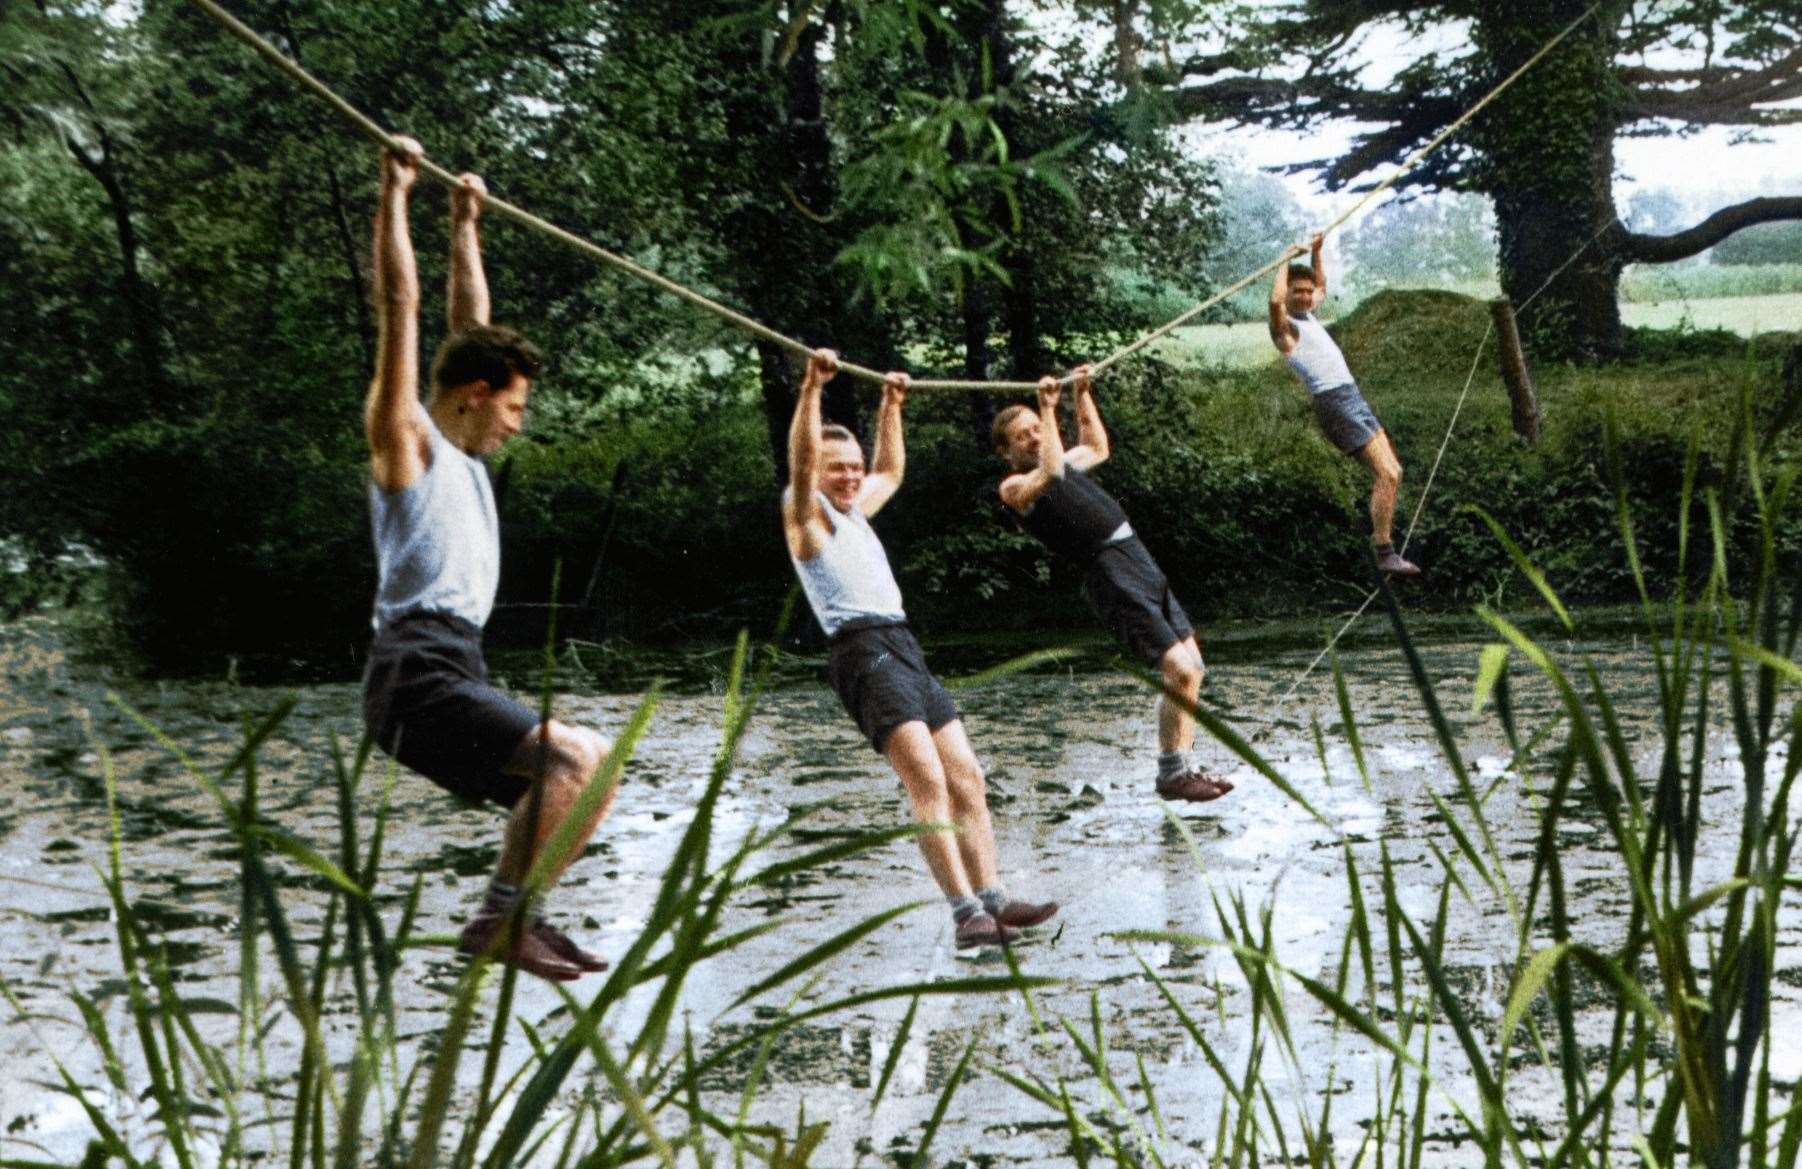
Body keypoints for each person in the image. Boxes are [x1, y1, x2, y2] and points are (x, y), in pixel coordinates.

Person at [360, 138, 615, 982]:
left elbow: (473, 329)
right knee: (572, 757)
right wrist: (395, 193)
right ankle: (501, 921)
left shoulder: (465, 455)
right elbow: (403, 310)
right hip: (415, 672)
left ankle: (518, 917)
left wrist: (465, 223)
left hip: (453, 662)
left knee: (588, 769)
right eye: (514, 406)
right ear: (474, 396)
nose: (517, 423)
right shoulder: (408, 445)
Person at [782, 349, 1057, 950]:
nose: (851, 477)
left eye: (853, 467)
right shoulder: (808, 516)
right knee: (927, 782)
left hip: (902, 644)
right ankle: (966, 915)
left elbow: (891, 471)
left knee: (968, 777)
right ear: (817, 474)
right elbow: (803, 463)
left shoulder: (854, 511)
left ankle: (994, 899)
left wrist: (891, 405)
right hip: (861, 652)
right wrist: (811, 390)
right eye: (838, 470)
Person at [993, 368, 1233, 803]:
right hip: (1108, 571)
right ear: (1006, 451)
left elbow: (1098, 446)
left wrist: (1082, 394)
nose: (1033, 437)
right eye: (1022, 436)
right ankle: (1172, 774)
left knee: (1192, 669)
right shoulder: (1014, 486)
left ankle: (1185, 766)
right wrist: (1048, 408)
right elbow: (1048, 469)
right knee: (1178, 669)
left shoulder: (1061, 462)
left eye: (1035, 429)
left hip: (1137, 558)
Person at [1269, 233, 1420, 576]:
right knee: (1385, 473)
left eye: (1308, 293)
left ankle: (1385, 547)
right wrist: (1282, 261)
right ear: (1288, 292)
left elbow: (1320, 284)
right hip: (1334, 403)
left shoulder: (1308, 315)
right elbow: (1276, 302)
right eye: (1299, 292)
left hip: (1352, 395)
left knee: (1395, 472)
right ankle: (1384, 552)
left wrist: (1317, 252)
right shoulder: (1285, 330)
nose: (1307, 297)